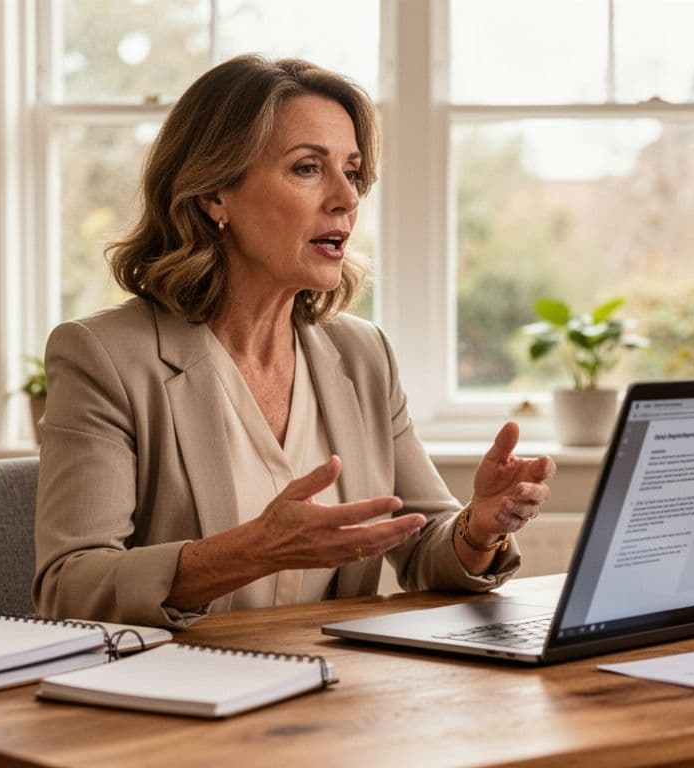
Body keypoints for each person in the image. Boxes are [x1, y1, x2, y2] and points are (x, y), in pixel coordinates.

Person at [33, 54, 556, 628]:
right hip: (177, 697)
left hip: (329, 696)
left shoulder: (363, 356)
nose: (347, 198)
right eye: (309, 168)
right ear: (215, 195)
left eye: (352, 172)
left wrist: (477, 527)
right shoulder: (104, 356)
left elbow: (420, 545)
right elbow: (70, 586)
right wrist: (252, 550)